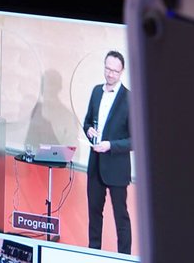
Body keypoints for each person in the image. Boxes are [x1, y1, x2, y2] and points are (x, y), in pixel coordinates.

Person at [82, 50, 133, 254]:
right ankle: (93, 253)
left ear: (122, 72)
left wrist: (110, 145)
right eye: (108, 69)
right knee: (94, 214)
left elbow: (134, 140)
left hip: (117, 168)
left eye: (115, 71)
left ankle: (125, 256)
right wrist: (88, 130)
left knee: (121, 217)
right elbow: (87, 121)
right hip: (95, 165)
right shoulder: (96, 91)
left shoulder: (129, 99)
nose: (110, 74)